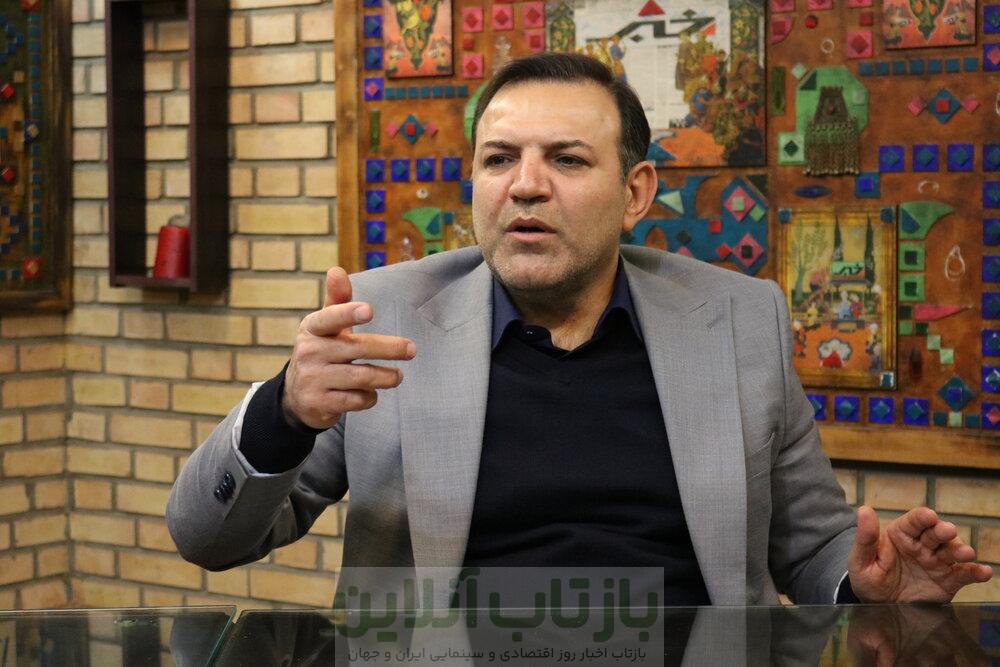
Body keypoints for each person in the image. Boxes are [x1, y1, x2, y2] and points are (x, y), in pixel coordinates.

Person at [166, 53, 991, 607]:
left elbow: (810, 547)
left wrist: (862, 584)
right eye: (499, 159)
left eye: (566, 159)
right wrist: (283, 410)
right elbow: (206, 538)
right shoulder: (384, 321)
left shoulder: (740, 321)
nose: (525, 186)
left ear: (636, 193)